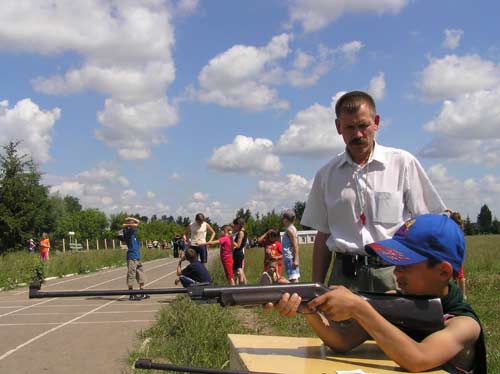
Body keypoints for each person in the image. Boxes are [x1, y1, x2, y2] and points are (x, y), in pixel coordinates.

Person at [274, 214, 486, 373]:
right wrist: (309, 309)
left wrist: (359, 308)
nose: (396, 271)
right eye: (394, 263)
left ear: (443, 272)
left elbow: (419, 359)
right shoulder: (397, 302)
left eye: (405, 265)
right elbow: (343, 341)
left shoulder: (464, 324)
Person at [301, 90, 446, 292]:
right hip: (344, 278)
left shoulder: (402, 163)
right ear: (338, 127)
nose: (358, 134)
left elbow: (429, 224)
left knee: (397, 325)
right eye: (349, 127)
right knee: (341, 325)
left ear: (376, 122)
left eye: (363, 125)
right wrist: (315, 287)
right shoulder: (326, 175)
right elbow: (323, 235)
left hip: (395, 275)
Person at [122, 217, 149, 301]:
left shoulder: (133, 233)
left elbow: (138, 222)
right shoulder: (128, 232)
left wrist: (130, 218)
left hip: (137, 257)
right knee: (131, 275)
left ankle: (142, 292)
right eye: (132, 223)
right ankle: (131, 294)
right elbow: (136, 224)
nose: (135, 225)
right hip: (132, 257)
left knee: (141, 275)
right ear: (129, 225)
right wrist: (129, 222)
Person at [281, 210, 300, 283]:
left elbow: (295, 244)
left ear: (286, 220)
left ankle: (296, 292)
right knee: (293, 278)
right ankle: (297, 292)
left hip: (290, 258)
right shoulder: (292, 228)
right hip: (291, 258)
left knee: (293, 279)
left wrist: (296, 259)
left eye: (283, 219)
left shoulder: (289, 230)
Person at [232, 218, 248, 285]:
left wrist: (230, 240)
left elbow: (238, 245)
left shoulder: (241, 233)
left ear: (239, 225)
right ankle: (243, 284)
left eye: (235, 225)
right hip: (239, 252)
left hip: (238, 252)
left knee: (239, 269)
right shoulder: (243, 231)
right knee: (237, 269)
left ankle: (242, 284)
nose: (234, 226)